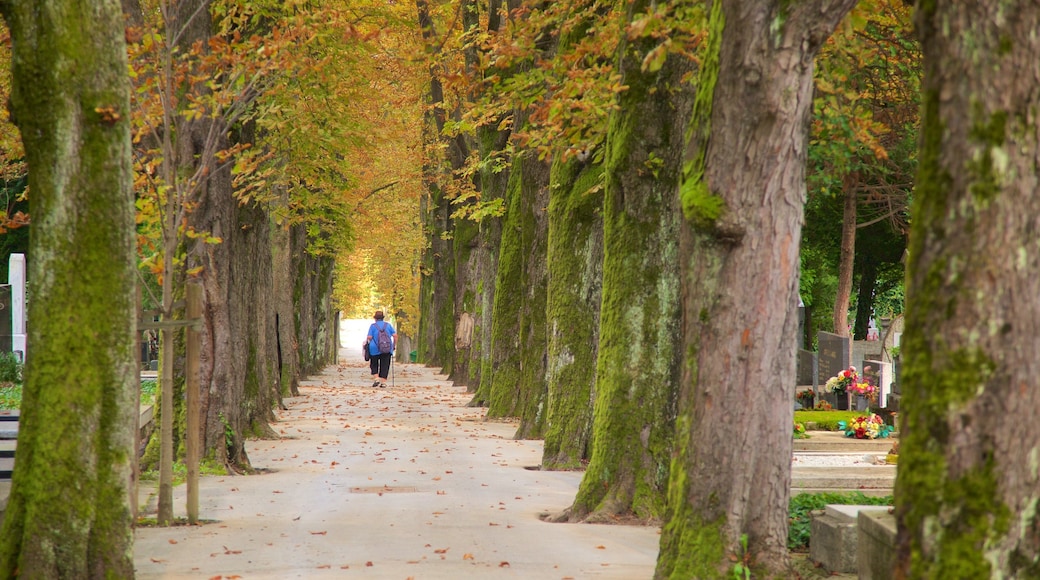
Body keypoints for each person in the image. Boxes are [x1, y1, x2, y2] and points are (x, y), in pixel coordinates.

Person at [366, 310, 396, 388]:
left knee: (374, 363)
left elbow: (369, 337)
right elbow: (395, 335)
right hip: (386, 348)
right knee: (385, 364)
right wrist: (393, 345)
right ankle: (383, 382)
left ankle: (376, 379)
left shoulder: (373, 326)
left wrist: (367, 342)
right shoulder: (388, 325)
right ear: (383, 318)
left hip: (374, 348)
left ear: (375, 318)